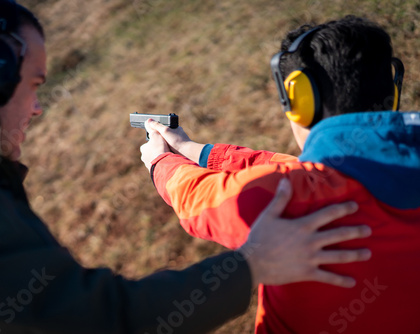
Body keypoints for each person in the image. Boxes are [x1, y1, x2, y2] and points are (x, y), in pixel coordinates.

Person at [0, 1, 372, 333]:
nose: (37, 108)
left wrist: (186, 154)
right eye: (34, 84)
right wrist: (251, 265)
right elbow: (97, 321)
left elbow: (262, 182)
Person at [140, 15, 420, 334]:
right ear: (392, 89)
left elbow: (196, 199)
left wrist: (160, 161)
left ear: (300, 100)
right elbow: (286, 169)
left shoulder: (287, 199)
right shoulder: (315, 181)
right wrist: (194, 150)